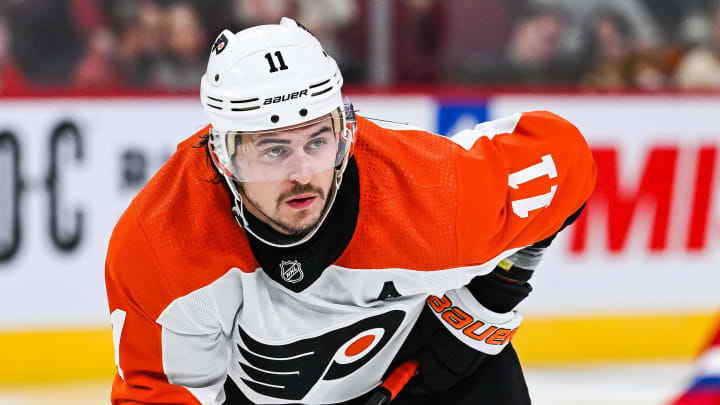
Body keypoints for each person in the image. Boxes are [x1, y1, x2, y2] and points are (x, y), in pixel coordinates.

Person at [105, 18, 596, 404]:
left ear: (344, 134)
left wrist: (490, 296)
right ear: (224, 157)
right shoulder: (162, 243)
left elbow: (565, 157)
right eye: (274, 150)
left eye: (317, 141)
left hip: (437, 386)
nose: (302, 173)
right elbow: (163, 395)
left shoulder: (427, 198)